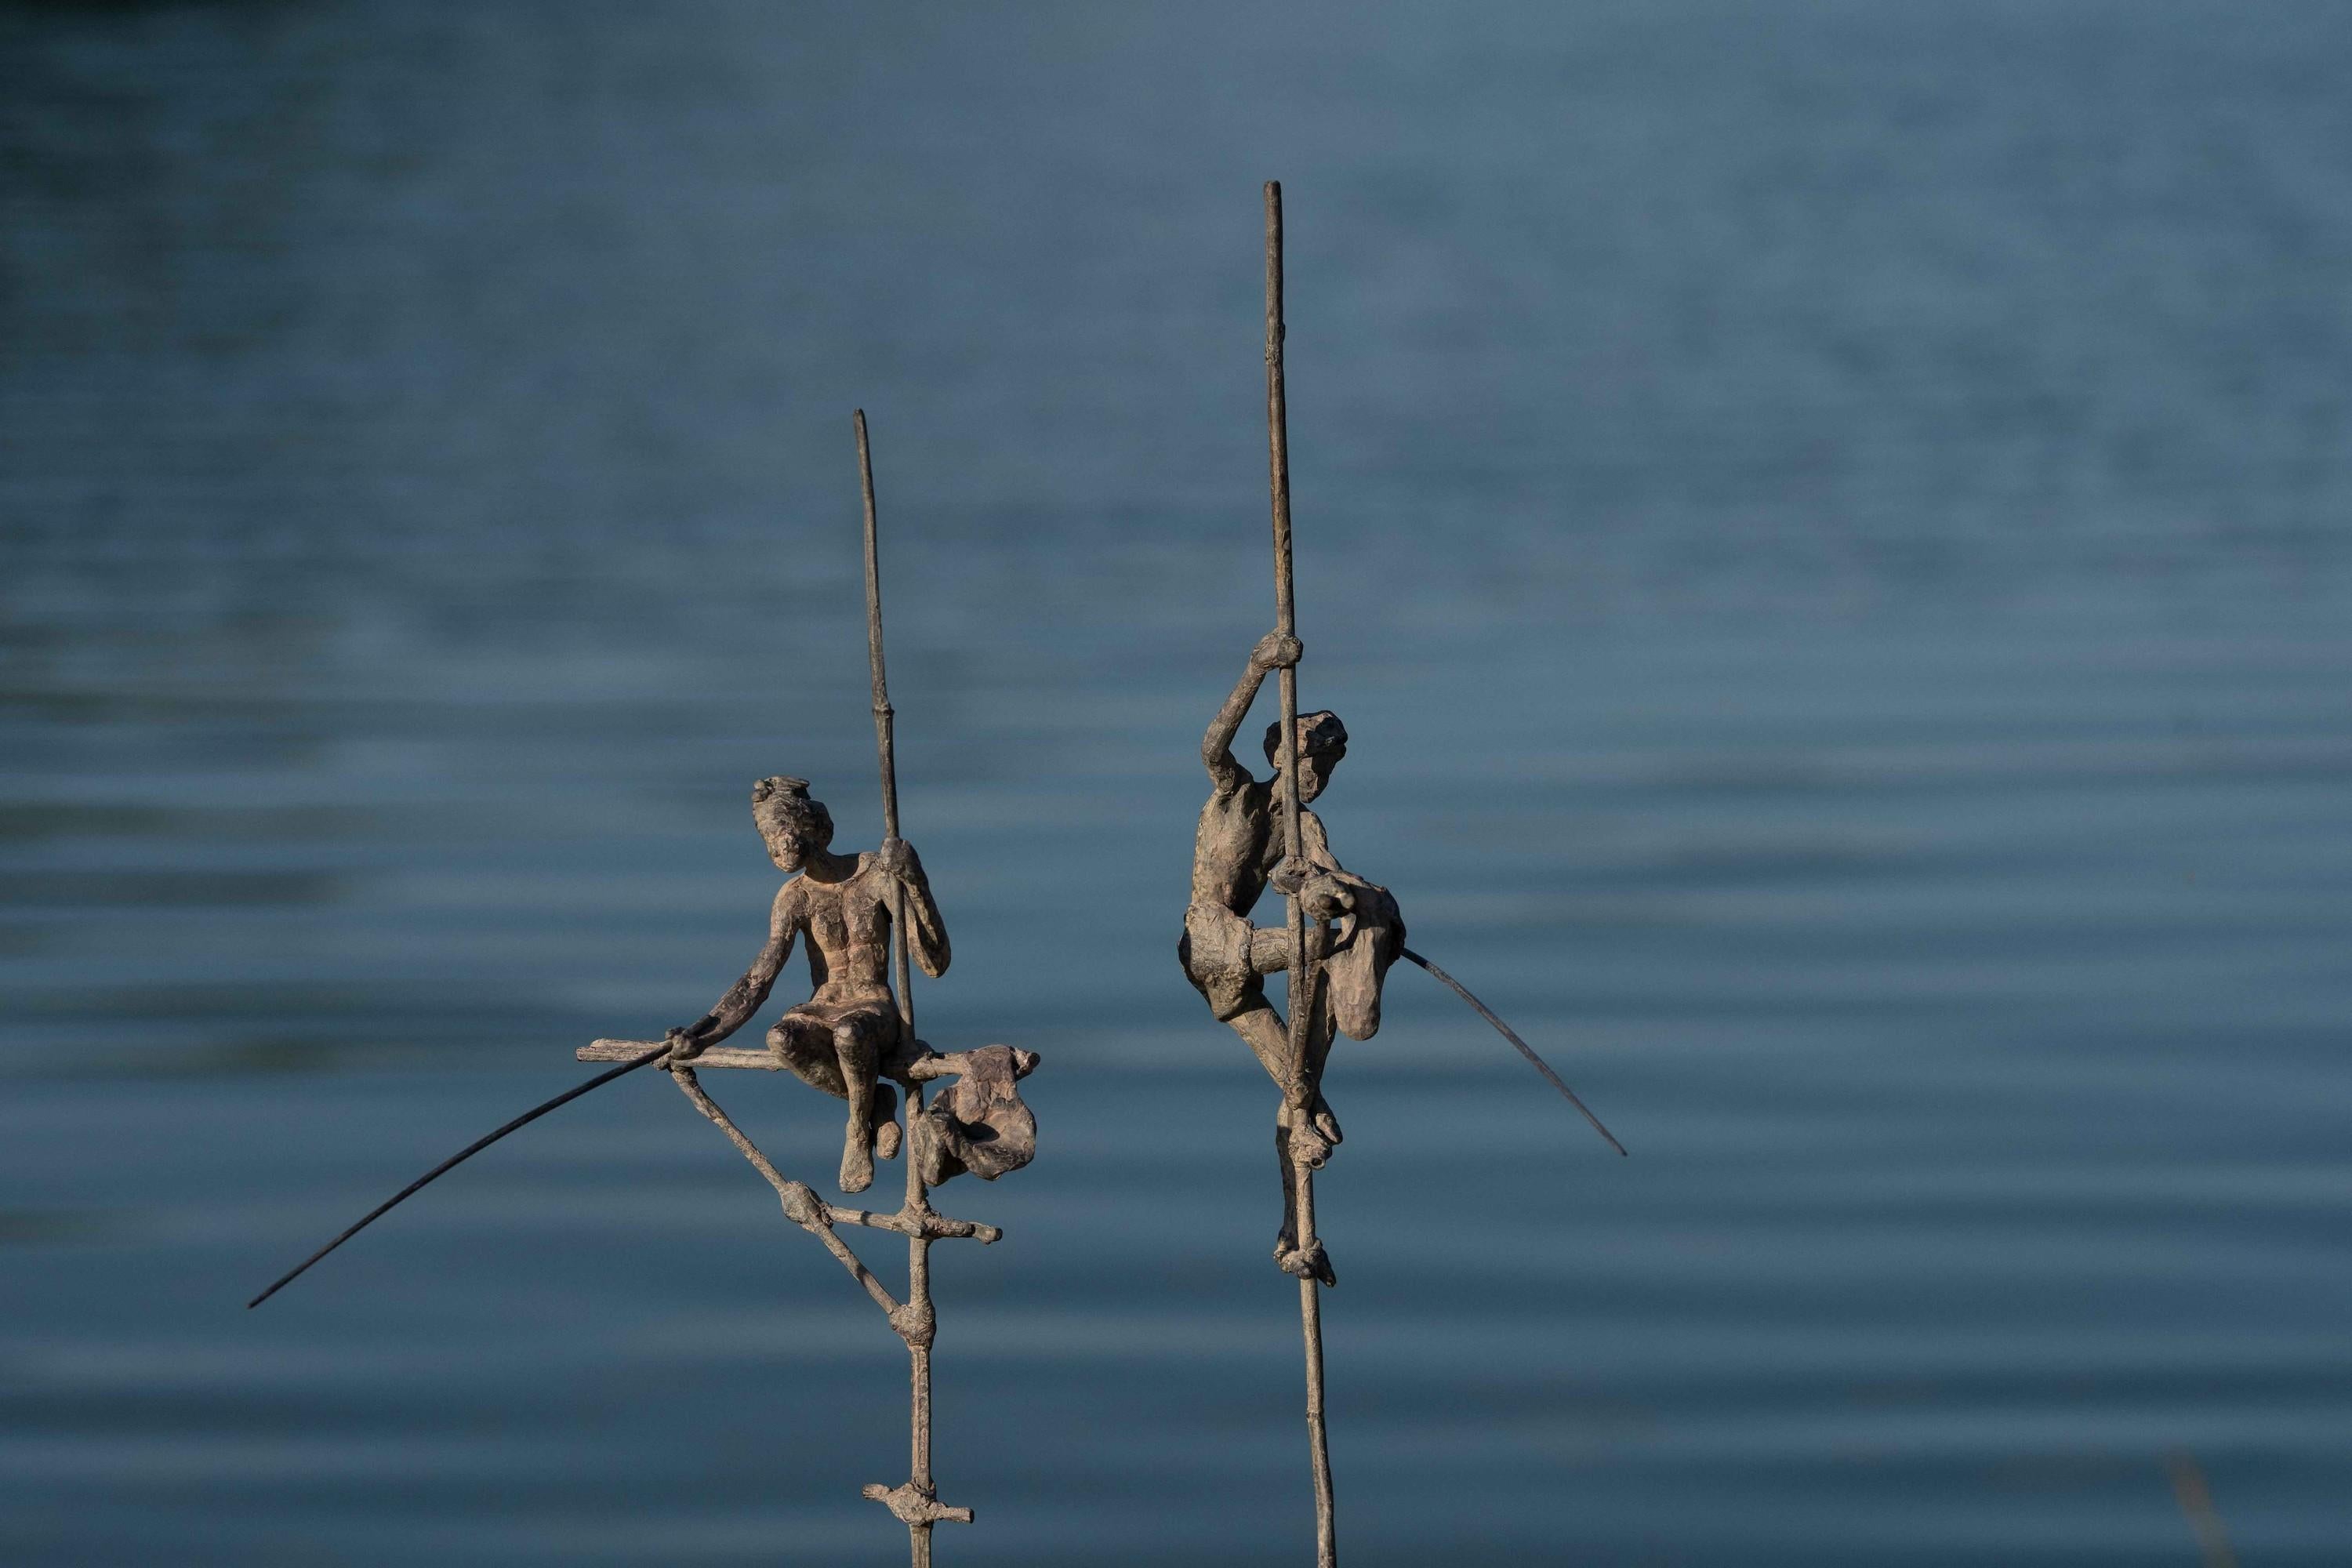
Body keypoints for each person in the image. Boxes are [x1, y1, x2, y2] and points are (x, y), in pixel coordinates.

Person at [1179, 632, 1403, 1282]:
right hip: (1211, 940)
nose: (1317, 779)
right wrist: (1256, 667)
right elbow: (1210, 746)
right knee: (1321, 943)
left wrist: (1369, 911)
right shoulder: (1237, 795)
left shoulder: (1306, 830)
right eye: (1310, 765)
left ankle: (1294, 1234)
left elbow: (1333, 879)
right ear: (1282, 757)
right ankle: (1313, 1107)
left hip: (1238, 970)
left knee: (1299, 1084)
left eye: (1327, 771)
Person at [668, 776, 949, 1194]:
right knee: (781, 1038)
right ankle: (876, 1104)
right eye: (766, 837)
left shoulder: (875, 874)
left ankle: (857, 1131)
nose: (776, 846)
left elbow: (932, 962)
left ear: (814, 828)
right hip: (824, 1005)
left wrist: (915, 881)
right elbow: (758, 980)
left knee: (850, 1034)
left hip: (874, 1008)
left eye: (781, 831)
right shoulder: (793, 897)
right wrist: (703, 1033)